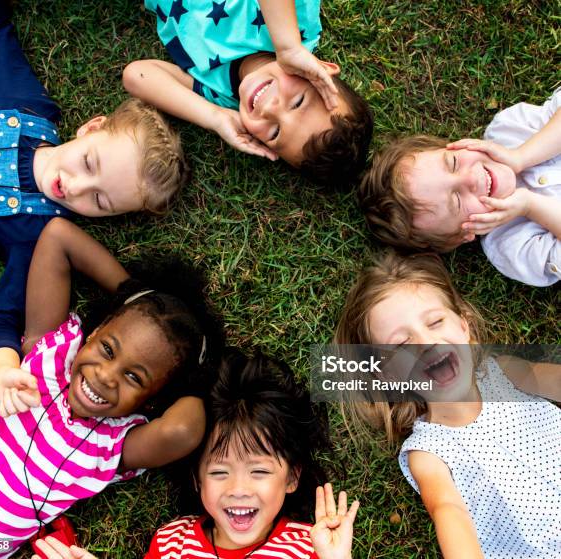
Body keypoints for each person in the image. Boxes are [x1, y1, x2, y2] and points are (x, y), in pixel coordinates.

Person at [0, 218, 224, 558]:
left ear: (152, 402)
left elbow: (183, 430)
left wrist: (198, 376)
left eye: (134, 378)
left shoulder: (111, 446)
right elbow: (58, 237)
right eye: (108, 349)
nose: (106, 376)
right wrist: (134, 296)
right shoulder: (50, 355)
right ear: (93, 333)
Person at [0, 0, 188, 376]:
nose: (75, 187)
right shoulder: (28, 109)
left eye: (99, 200)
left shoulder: (35, 234)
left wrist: (3, 370)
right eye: (89, 162)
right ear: (92, 127)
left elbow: (4, 319)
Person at [335, 251, 561, 558]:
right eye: (401, 343)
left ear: (464, 328)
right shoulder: (428, 452)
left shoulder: (505, 372)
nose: (425, 342)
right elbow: (449, 511)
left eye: (435, 321)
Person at [32, 350, 360, 559]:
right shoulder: (173, 542)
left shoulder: (310, 546)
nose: (238, 488)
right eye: (219, 472)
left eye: (258, 471)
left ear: (291, 477)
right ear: (197, 478)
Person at [123, 0, 373, 189]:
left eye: (275, 133)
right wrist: (288, 46)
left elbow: (137, 75)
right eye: (298, 102)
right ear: (322, 70)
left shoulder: (220, 95)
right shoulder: (298, 27)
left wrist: (216, 118)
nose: (270, 110)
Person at [357, 87, 561, 286]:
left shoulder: (509, 129)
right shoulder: (511, 247)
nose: (470, 179)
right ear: (463, 235)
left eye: (453, 162)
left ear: (454, 145)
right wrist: (531, 205)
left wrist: (522, 156)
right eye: (456, 201)